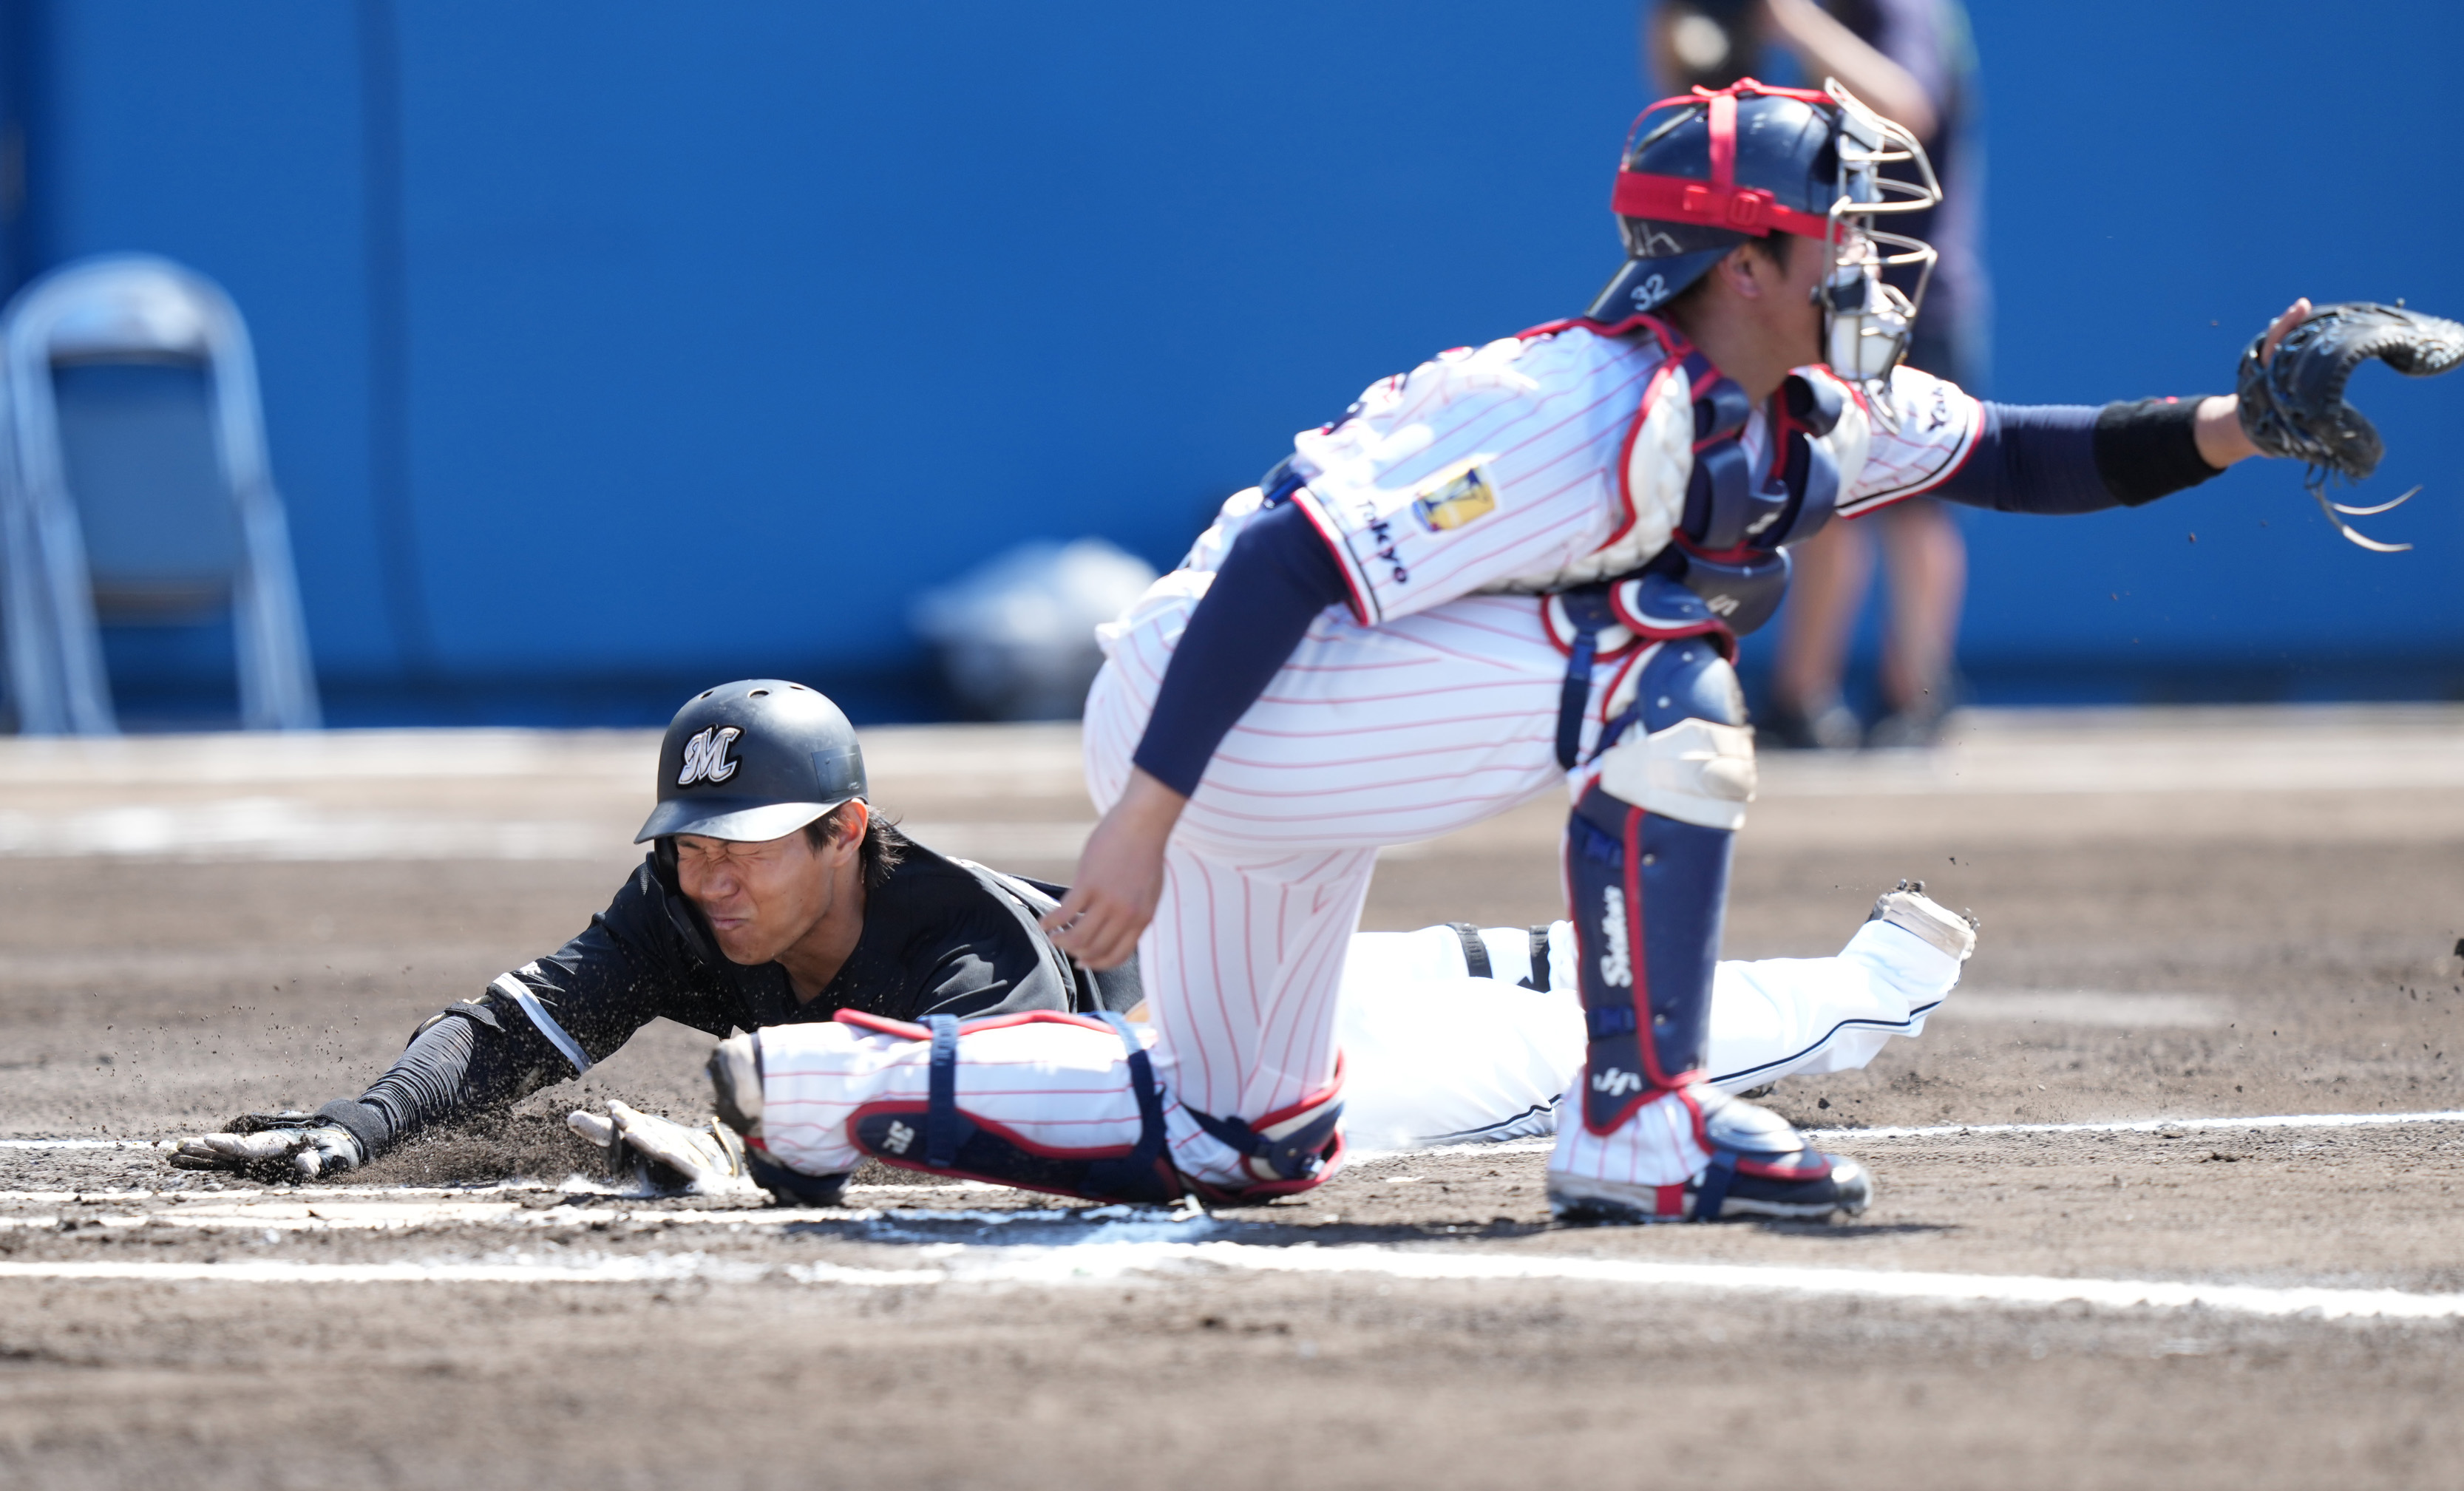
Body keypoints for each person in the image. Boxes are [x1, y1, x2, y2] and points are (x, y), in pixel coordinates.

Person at [725, 78, 2318, 1223]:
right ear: (1739, 267)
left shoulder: (1796, 404)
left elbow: (2019, 458)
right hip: (1223, 699)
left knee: (1245, 1139)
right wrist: (1142, 814)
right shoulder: (1574, 405)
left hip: (1280, 730)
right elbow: (1288, 560)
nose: (1868, 255)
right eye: (1830, 228)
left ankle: (817, 1095)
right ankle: (1639, 1122)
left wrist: (2250, 425)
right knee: (1659, 669)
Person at [166, 678, 1977, 1186]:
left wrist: (752, 1157)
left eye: (748, 845)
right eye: (688, 845)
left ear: (847, 833)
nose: (706, 877)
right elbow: (524, 1023)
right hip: (1241, 1000)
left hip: (1248, 1045)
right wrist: (358, 1123)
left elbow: (1045, 1118)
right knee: (1507, 976)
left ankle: (1863, 989)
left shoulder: (956, 940)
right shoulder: (688, 906)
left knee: (1553, 1036)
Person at [1652, 0, 1986, 748]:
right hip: (1815, 286)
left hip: (1907, 288)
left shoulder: (1891, 7)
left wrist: (1789, 20)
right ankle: (1803, 695)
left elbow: (1908, 111)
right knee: (1821, 485)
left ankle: (1920, 695)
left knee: (1921, 494)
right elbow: (1688, 89)